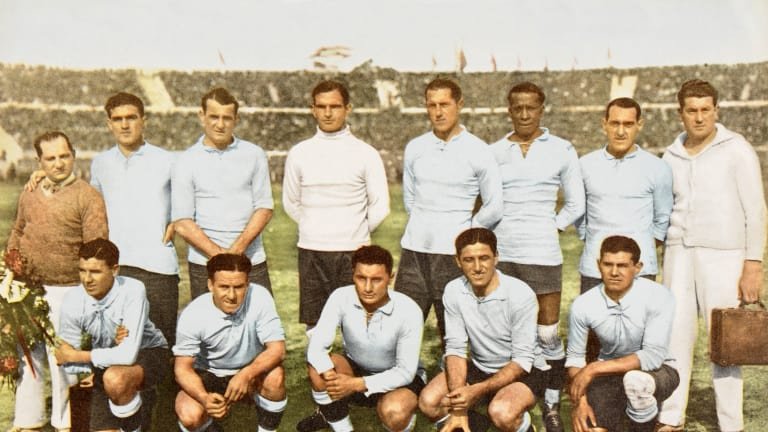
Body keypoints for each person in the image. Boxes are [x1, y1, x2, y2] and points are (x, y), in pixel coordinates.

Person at [657, 79, 766, 432]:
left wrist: (753, 265)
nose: (699, 117)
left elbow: (756, 211)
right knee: (675, 336)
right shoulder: (670, 155)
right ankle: (671, 416)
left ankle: (730, 424)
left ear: (716, 110)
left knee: (726, 341)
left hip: (724, 256)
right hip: (678, 254)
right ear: (680, 113)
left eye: (706, 109)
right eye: (692, 110)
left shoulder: (737, 149)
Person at [490, 82, 584, 432]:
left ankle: (552, 402)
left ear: (542, 109)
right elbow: (484, 200)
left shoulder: (561, 149)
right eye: (518, 108)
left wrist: (551, 227)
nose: (525, 114)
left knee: (546, 335)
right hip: (504, 255)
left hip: (543, 253)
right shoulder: (494, 151)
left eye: (531, 107)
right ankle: (515, 396)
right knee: (513, 335)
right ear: (509, 110)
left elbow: (576, 203)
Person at [6, 130, 108, 432]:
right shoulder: (30, 191)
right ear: (39, 162)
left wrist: (89, 294)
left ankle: (66, 423)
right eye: (50, 158)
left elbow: (96, 248)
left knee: (64, 360)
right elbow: (18, 230)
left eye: (64, 156)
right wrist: (11, 268)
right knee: (28, 356)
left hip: (68, 290)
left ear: (73, 156)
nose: (59, 163)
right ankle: (28, 420)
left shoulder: (87, 196)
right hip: (27, 288)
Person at [395, 78, 503, 338]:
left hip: (451, 255)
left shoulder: (478, 150)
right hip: (414, 252)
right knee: (401, 326)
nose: (438, 112)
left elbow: (494, 206)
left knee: (452, 332)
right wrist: (423, 226)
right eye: (432, 105)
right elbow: (410, 200)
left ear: (459, 104)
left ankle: (454, 366)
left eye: (444, 104)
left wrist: (465, 234)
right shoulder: (416, 147)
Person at [283, 80, 390, 332]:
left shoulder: (366, 153)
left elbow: (380, 205)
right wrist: (315, 227)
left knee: (357, 322)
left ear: (347, 108)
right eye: (321, 107)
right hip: (312, 250)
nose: (328, 113)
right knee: (315, 325)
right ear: (313, 109)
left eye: (335, 106)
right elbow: (291, 202)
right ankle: (320, 359)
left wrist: (354, 231)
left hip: (353, 251)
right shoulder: (299, 153)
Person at [419, 228, 539, 432]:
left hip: (522, 371)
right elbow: (455, 348)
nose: (477, 268)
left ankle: (522, 424)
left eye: (484, 258)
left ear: (496, 257)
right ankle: (474, 423)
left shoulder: (520, 294)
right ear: (458, 261)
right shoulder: (454, 290)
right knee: (429, 403)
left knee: (502, 413)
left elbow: (522, 360)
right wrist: (459, 406)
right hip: (479, 367)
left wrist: (477, 390)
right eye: (469, 260)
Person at [296, 245, 424, 432]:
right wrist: (331, 377)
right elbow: (316, 347)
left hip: (399, 378)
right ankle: (342, 427)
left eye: (376, 280)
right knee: (318, 368)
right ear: (353, 275)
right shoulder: (340, 296)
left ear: (390, 277)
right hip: (356, 369)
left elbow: (405, 372)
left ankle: (404, 415)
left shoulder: (409, 310)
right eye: (361, 278)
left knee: (394, 412)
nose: (368, 288)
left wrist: (355, 384)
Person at [89, 92, 180, 347]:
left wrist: (177, 222)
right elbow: (91, 206)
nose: (125, 125)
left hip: (158, 268)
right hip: (117, 268)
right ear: (109, 123)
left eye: (131, 117)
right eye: (118, 119)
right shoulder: (101, 163)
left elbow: (191, 200)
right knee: (117, 345)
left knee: (161, 346)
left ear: (144, 121)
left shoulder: (167, 160)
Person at [54, 238, 169, 432]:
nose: (87, 279)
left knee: (116, 379)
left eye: (95, 272)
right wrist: (84, 367)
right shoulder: (72, 299)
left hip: (149, 353)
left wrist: (79, 356)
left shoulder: (133, 290)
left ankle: (135, 422)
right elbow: (69, 361)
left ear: (115, 270)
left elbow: (127, 355)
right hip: (103, 367)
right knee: (111, 381)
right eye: (82, 270)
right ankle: (133, 409)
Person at [566, 235, 679, 432]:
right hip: (609, 375)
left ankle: (644, 426)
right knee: (592, 429)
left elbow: (652, 356)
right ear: (598, 265)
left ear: (638, 267)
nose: (614, 272)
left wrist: (593, 368)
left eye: (622, 266)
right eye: (608, 264)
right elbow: (575, 358)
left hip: (657, 372)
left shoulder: (658, 295)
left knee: (635, 382)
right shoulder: (583, 304)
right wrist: (580, 402)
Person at [172, 87, 274, 299]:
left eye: (226, 118)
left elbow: (264, 208)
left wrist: (236, 251)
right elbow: (182, 221)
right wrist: (220, 257)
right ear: (202, 116)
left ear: (236, 119)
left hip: (251, 261)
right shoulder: (185, 160)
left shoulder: (254, 154)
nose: (220, 124)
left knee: (260, 319)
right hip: (205, 264)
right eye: (214, 117)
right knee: (209, 321)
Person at [173, 253, 286, 432]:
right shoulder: (193, 314)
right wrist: (204, 398)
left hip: (250, 371)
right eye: (224, 287)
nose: (232, 295)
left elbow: (277, 349)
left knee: (275, 378)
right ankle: (211, 427)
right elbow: (182, 368)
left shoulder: (260, 297)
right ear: (210, 285)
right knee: (189, 414)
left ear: (247, 283)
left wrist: (246, 374)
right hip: (209, 374)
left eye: (239, 287)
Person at [577, 97, 673, 292]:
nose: (621, 132)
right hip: (595, 269)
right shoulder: (585, 165)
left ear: (639, 125)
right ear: (604, 124)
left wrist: (638, 250)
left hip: (640, 270)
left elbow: (663, 219)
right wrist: (595, 242)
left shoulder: (657, 167)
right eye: (615, 123)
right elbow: (579, 215)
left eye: (628, 124)